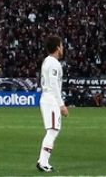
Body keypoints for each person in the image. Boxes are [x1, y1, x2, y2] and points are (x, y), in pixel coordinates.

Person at [37, 34, 68, 173]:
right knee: (52, 131)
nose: (63, 48)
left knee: (53, 130)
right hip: (51, 99)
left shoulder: (47, 61)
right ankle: (43, 162)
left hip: (47, 98)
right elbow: (54, 84)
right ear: (57, 48)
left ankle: (42, 161)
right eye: (61, 46)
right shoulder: (53, 63)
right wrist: (61, 104)